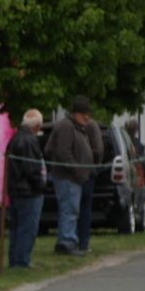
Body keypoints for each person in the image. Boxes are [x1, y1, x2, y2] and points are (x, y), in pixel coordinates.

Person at [43, 96, 103, 256]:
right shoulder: (67, 127)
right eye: (84, 114)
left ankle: (65, 241)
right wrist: (78, 170)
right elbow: (63, 153)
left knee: (70, 210)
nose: (87, 117)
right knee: (69, 211)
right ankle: (67, 242)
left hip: (74, 177)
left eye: (88, 114)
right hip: (68, 177)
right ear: (75, 113)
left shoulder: (76, 127)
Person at [5, 109, 48, 269]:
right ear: (37, 126)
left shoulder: (15, 138)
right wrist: (41, 185)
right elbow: (31, 169)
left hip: (16, 190)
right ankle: (22, 261)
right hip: (29, 191)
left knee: (16, 228)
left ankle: (15, 259)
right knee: (27, 228)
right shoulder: (29, 141)